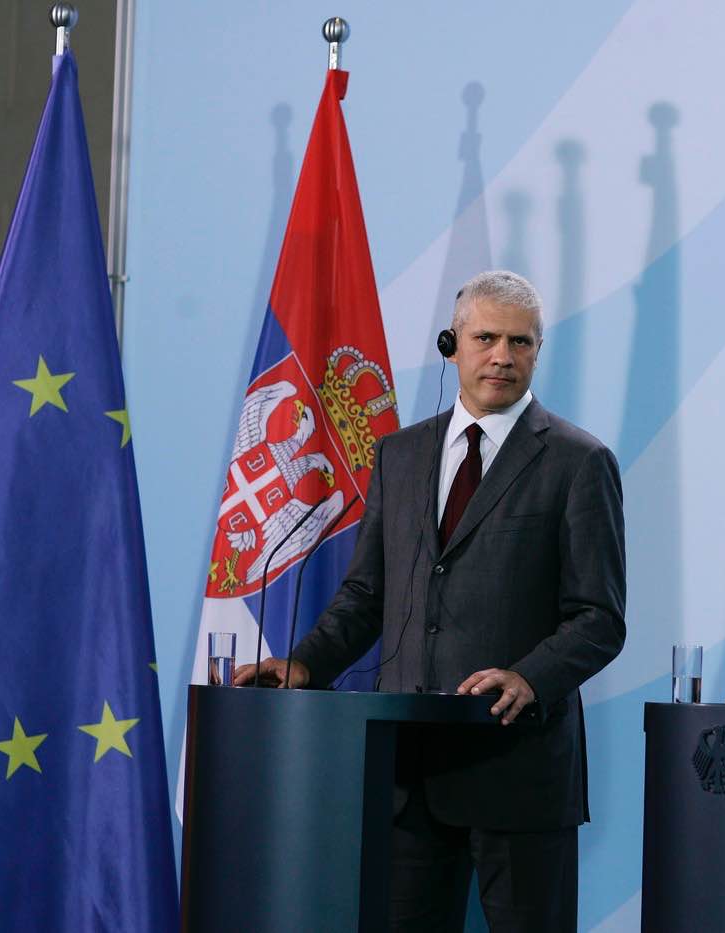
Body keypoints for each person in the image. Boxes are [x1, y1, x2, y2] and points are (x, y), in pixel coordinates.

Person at [236, 270, 626, 932]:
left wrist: (528, 676)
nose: (502, 355)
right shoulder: (399, 454)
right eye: (486, 338)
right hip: (408, 775)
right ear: (453, 344)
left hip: (518, 769)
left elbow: (599, 617)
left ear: (536, 351)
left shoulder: (578, 462)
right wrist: (304, 665)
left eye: (520, 342)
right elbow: (366, 594)